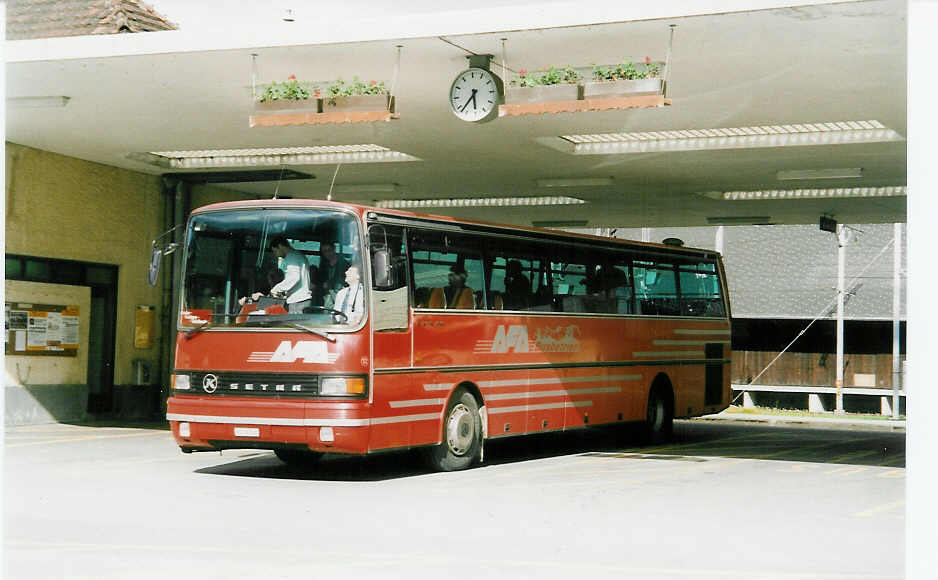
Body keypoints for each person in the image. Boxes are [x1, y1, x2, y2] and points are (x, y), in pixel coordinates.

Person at [246, 237, 313, 314]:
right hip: (300, 300)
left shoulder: (291, 257)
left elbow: (294, 278)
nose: (276, 255)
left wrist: (276, 289)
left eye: (275, 251)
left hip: (298, 302)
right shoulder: (297, 256)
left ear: (280, 246)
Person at [314, 242, 349, 308]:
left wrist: (330, 284)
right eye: (324, 251)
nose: (327, 253)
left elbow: (346, 282)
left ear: (334, 249)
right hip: (326, 297)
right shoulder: (324, 265)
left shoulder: (344, 264)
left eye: (329, 250)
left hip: (340, 296)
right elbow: (320, 280)